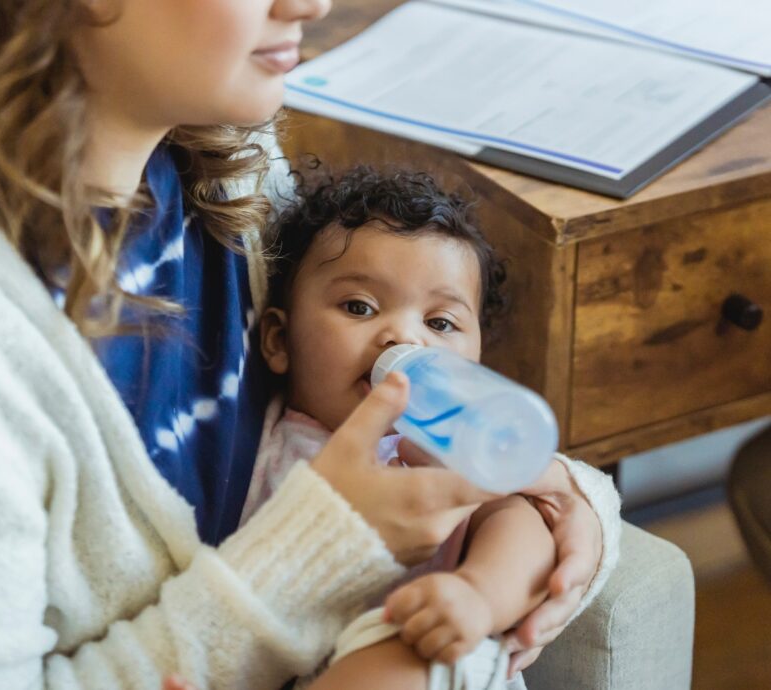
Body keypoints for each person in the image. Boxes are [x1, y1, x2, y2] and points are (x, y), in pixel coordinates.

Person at [0, 1, 618, 688]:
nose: (310, 4)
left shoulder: (235, 152)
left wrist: (560, 499)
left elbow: (419, 431)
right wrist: (327, 546)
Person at [234, 167, 619, 690]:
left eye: (440, 323)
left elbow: (523, 527)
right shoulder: (259, 445)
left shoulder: (449, 446)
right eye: (359, 306)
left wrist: (478, 595)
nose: (402, 337)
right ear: (279, 339)